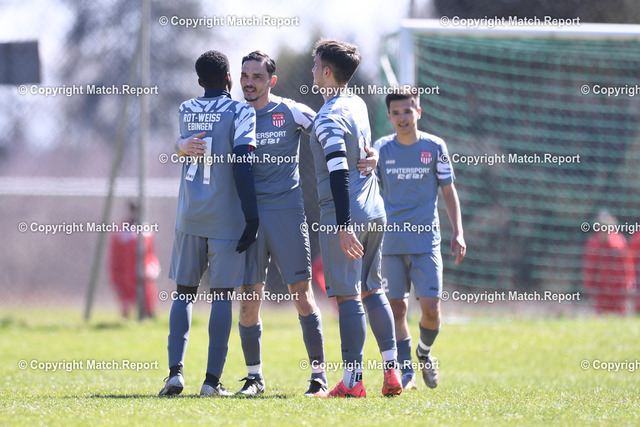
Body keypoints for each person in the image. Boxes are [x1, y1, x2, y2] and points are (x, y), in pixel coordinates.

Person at [159, 50, 259, 397]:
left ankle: (174, 374)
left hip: (189, 213)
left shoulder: (186, 109)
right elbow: (243, 162)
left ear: (200, 81)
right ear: (229, 78)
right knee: (221, 296)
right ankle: (211, 382)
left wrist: (178, 145)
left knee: (184, 293)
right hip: (225, 216)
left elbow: (182, 146)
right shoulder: (242, 111)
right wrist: (251, 214)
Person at [309, 38, 402, 398]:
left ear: (326, 71)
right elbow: (364, 152)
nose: (312, 70)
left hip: (346, 215)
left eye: (315, 65)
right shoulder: (357, 103)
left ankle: (352, 382)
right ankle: (392, 372)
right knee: (373, 290)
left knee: (348, 297)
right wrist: (374, 156)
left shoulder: (328, 116)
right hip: (375, 210)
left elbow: (338, 173)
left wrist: (343, 226)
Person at [232, 50, 327, 397]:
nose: (249, 82)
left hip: (288, 214)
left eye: (257, 77)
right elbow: (198, 141)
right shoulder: (234, 115)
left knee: (302, 294)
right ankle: (254, 378)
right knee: (248, 300)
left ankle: (318, 377)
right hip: (248, 219)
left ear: (271, 81)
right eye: (245, 76)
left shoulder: (291, 111)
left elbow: (329, 129)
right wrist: (182, 144)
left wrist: (364, 153)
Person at [373, 88, 466, 390]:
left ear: (418, 112)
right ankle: (406, 373)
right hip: (390, 243)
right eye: (396, 113)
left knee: (431, 310)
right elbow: (369, 193)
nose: (402, 118)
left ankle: (423, 353)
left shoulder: (435, 147)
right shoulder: (381, 149)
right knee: (397, 309)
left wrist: (458, 231)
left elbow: (448, 190)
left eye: (407, 111)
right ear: (389, 116)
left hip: (426, 242)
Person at [108, 201, 159, 319]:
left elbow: (151, 253)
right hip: (126, 272)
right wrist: (116, 278)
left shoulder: (146, 231)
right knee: (126, 298)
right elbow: (115, 259)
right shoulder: (122, 232)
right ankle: (126, 319)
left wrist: (153, 268)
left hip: (144, 272)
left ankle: (148, 315)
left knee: (147, 296)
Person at [583, 211, 634, 314]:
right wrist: (589, 286)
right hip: (601, 288)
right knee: (600, 314)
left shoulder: (619, 243)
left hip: (618, 288)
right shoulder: (593, 245)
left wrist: (629, 284)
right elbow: (589, 269)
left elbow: (627, 266)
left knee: (620, 314)